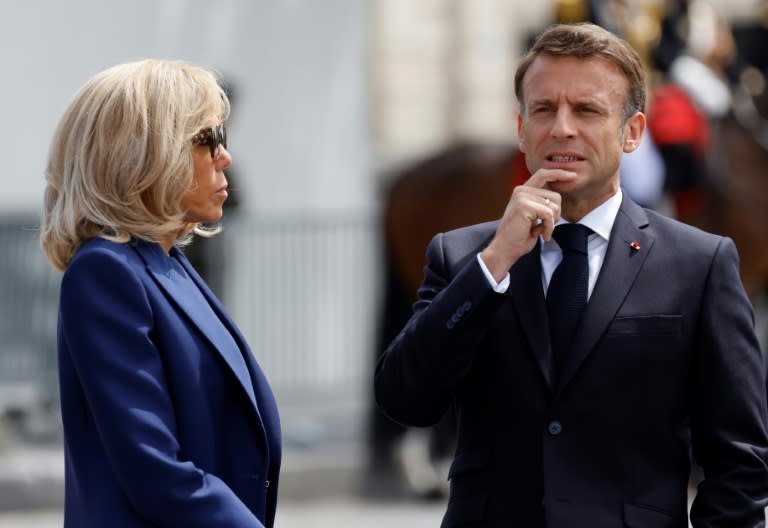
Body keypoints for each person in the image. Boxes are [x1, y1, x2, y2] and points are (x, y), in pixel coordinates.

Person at [374, 22, 768, 527]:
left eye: (587, 110)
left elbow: (739, 464)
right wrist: (493, 264)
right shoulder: (463, 256)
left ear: (631, 133)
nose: (561, 128)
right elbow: (404, 398)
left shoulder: (700, 263)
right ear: (521, 128)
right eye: (543, 110)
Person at [40, 59, 281, 528]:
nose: (225, 156)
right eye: (207, 140)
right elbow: (154, 469)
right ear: (144, 153)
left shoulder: (167, 262)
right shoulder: (105, 273)